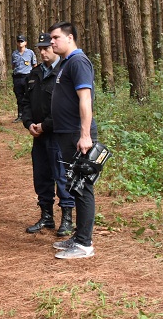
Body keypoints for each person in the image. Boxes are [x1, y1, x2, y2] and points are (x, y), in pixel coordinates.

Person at [48, 21, 99, 259]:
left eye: (56, 37)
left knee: (83, 187)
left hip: (77, 134)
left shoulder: (78, 62)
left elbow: (85, 99)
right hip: (67, 134)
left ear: (70, 38)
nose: (52, 42)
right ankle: (79, 237)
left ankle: (85, 244)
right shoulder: (66, 63)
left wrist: (85, 135)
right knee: (74, 186)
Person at [22, 32, 75, 237]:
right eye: (40, 49)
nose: (43, 52)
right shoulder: (34, 74)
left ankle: (67, 218)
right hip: (39, 136)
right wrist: (29, 124)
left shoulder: (64, 72)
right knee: (41, 176)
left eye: (46, 48)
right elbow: (26, 103)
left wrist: (46, 125)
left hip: (57, 134)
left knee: (61, 176)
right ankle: (46, 216)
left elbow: (66, 107)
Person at [12, 34, 37, 121]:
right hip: (17, 77)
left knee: (28, 96)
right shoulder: (14, 54)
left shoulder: (30, 53)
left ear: (25, 43)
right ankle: (20, 115)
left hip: (27, 77)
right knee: (19, 97)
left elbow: (34, 65)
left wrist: (33, 77)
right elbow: (13, 66)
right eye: (18, 41)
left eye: (22, 41)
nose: (20, 43)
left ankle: (29, 115)